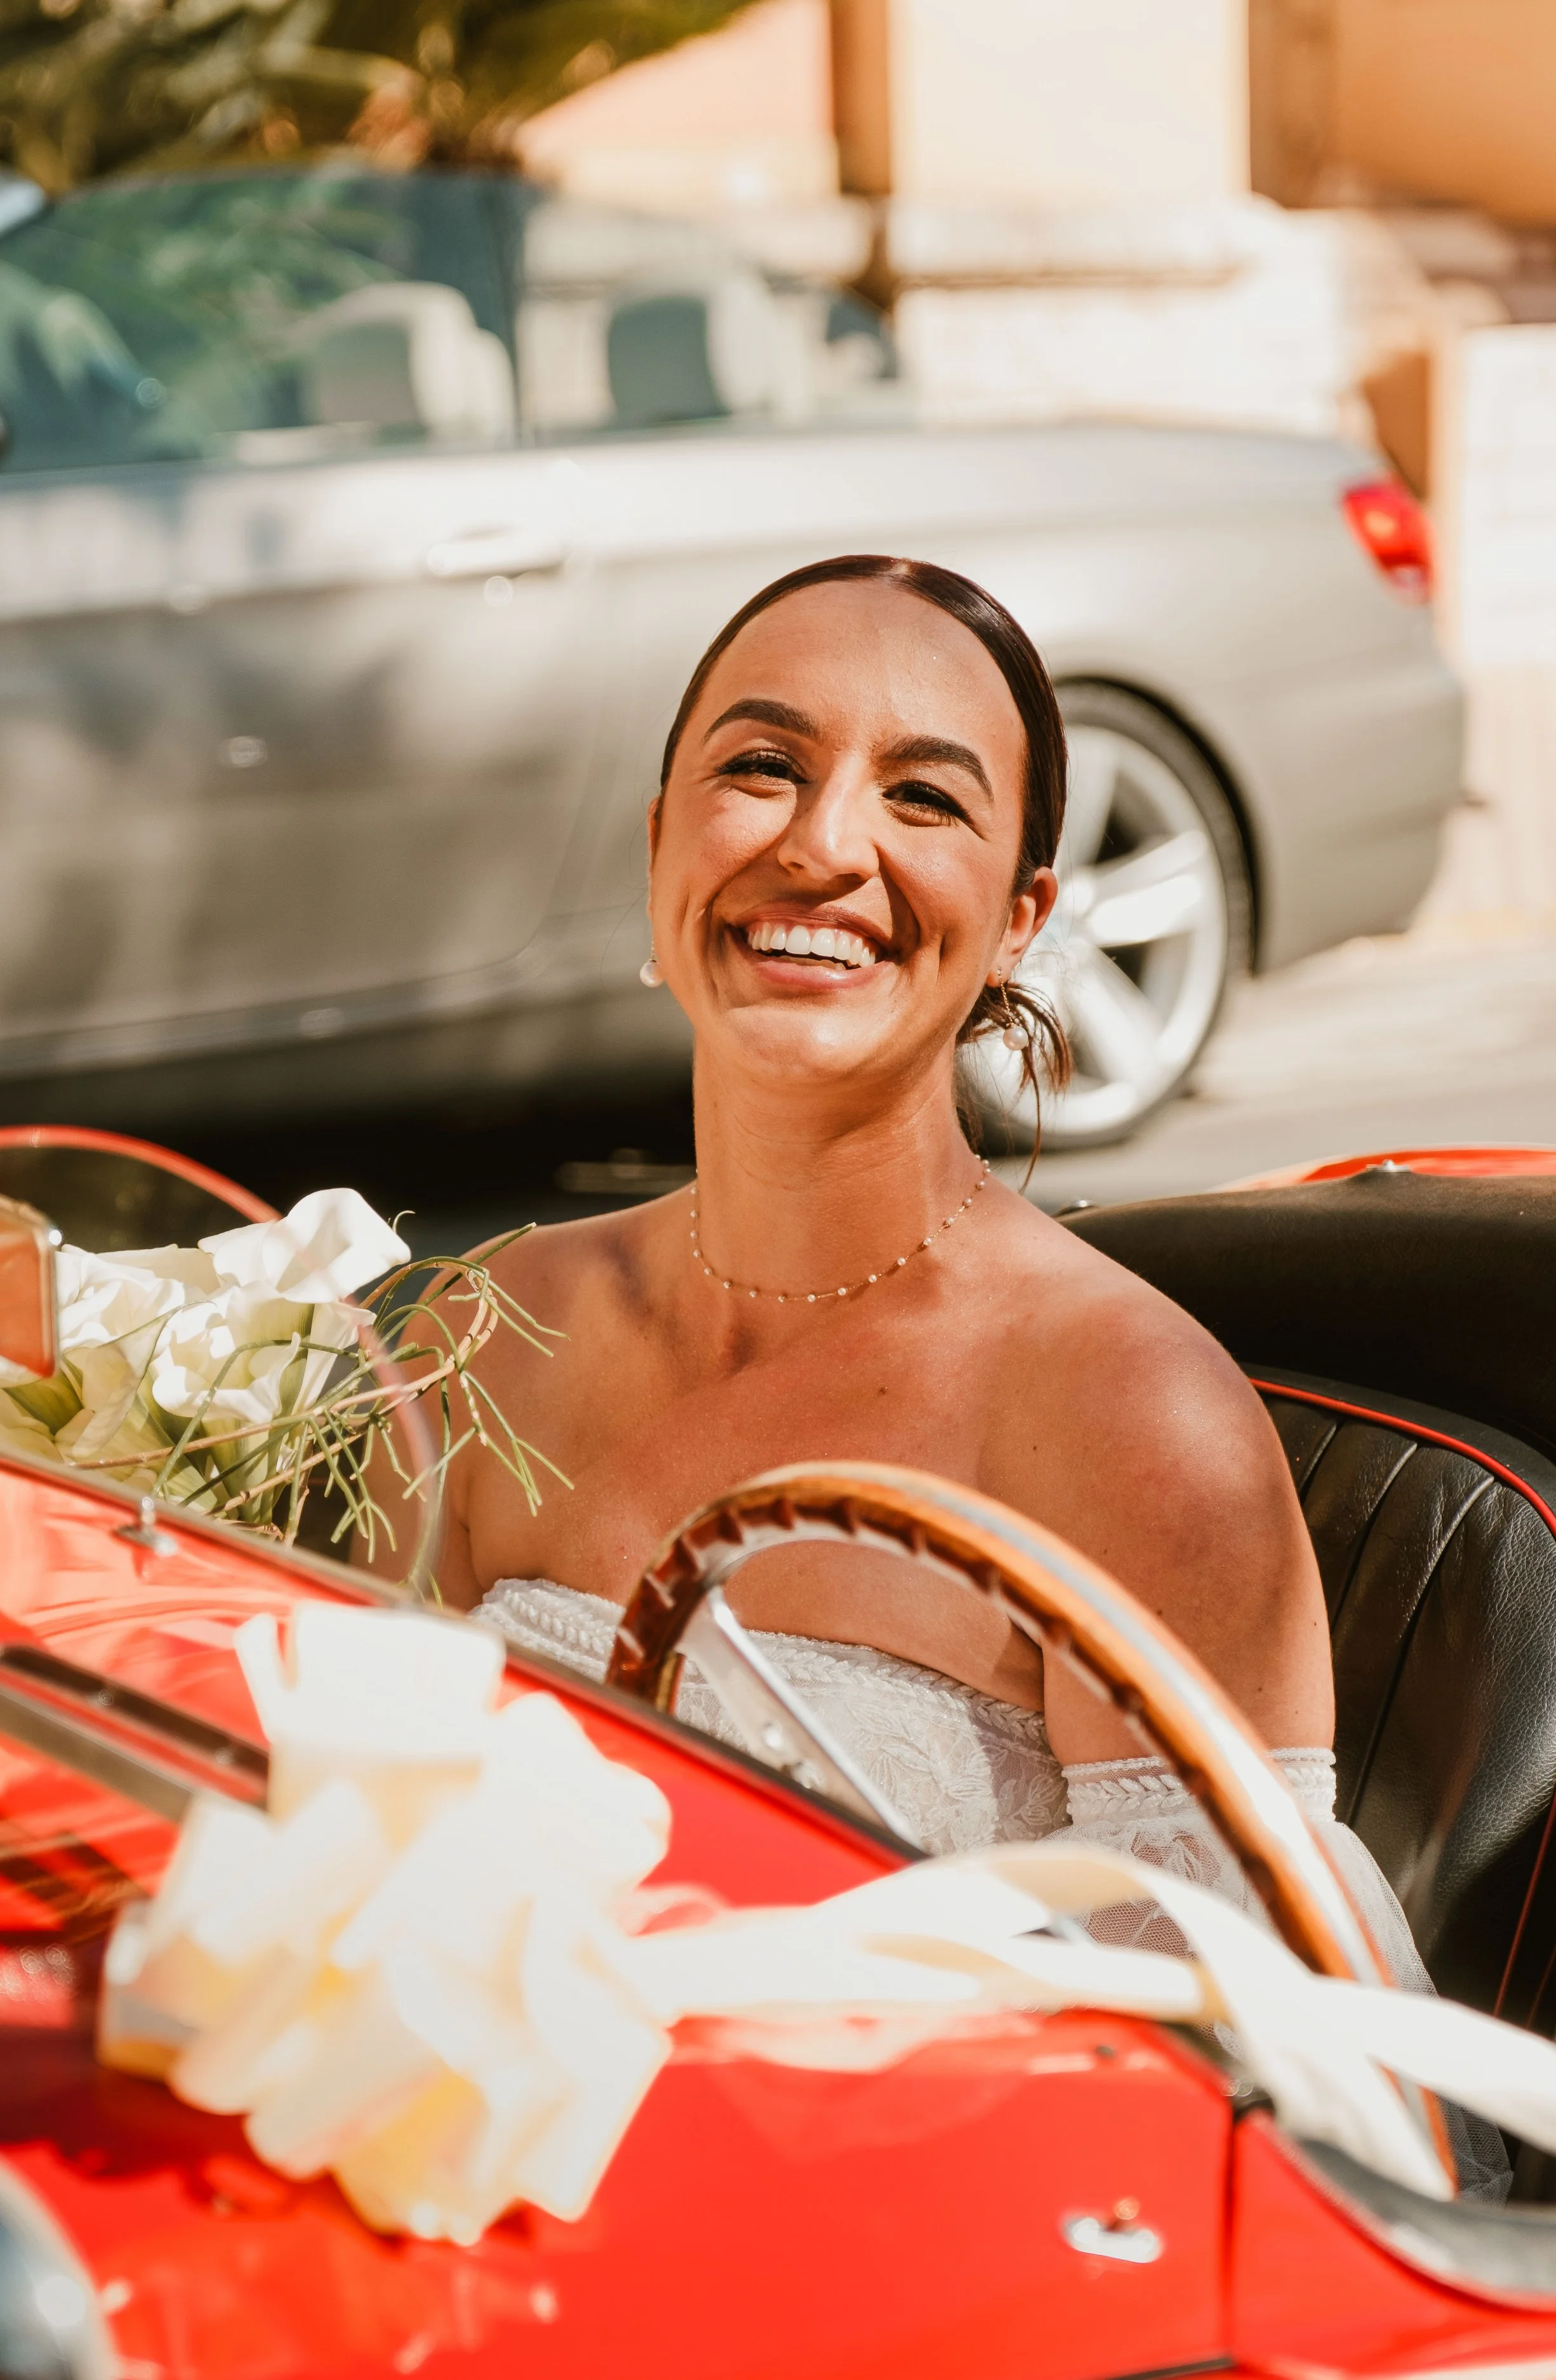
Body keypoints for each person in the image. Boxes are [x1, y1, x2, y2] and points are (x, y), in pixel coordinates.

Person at [438, 554, 1433, 2006]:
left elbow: (1242, 2083)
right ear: (659, 847)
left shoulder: (1131, 1422)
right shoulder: (495, 1327)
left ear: (1023, 916)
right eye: (763, 766)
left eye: (922, 797)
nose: (825, 847)